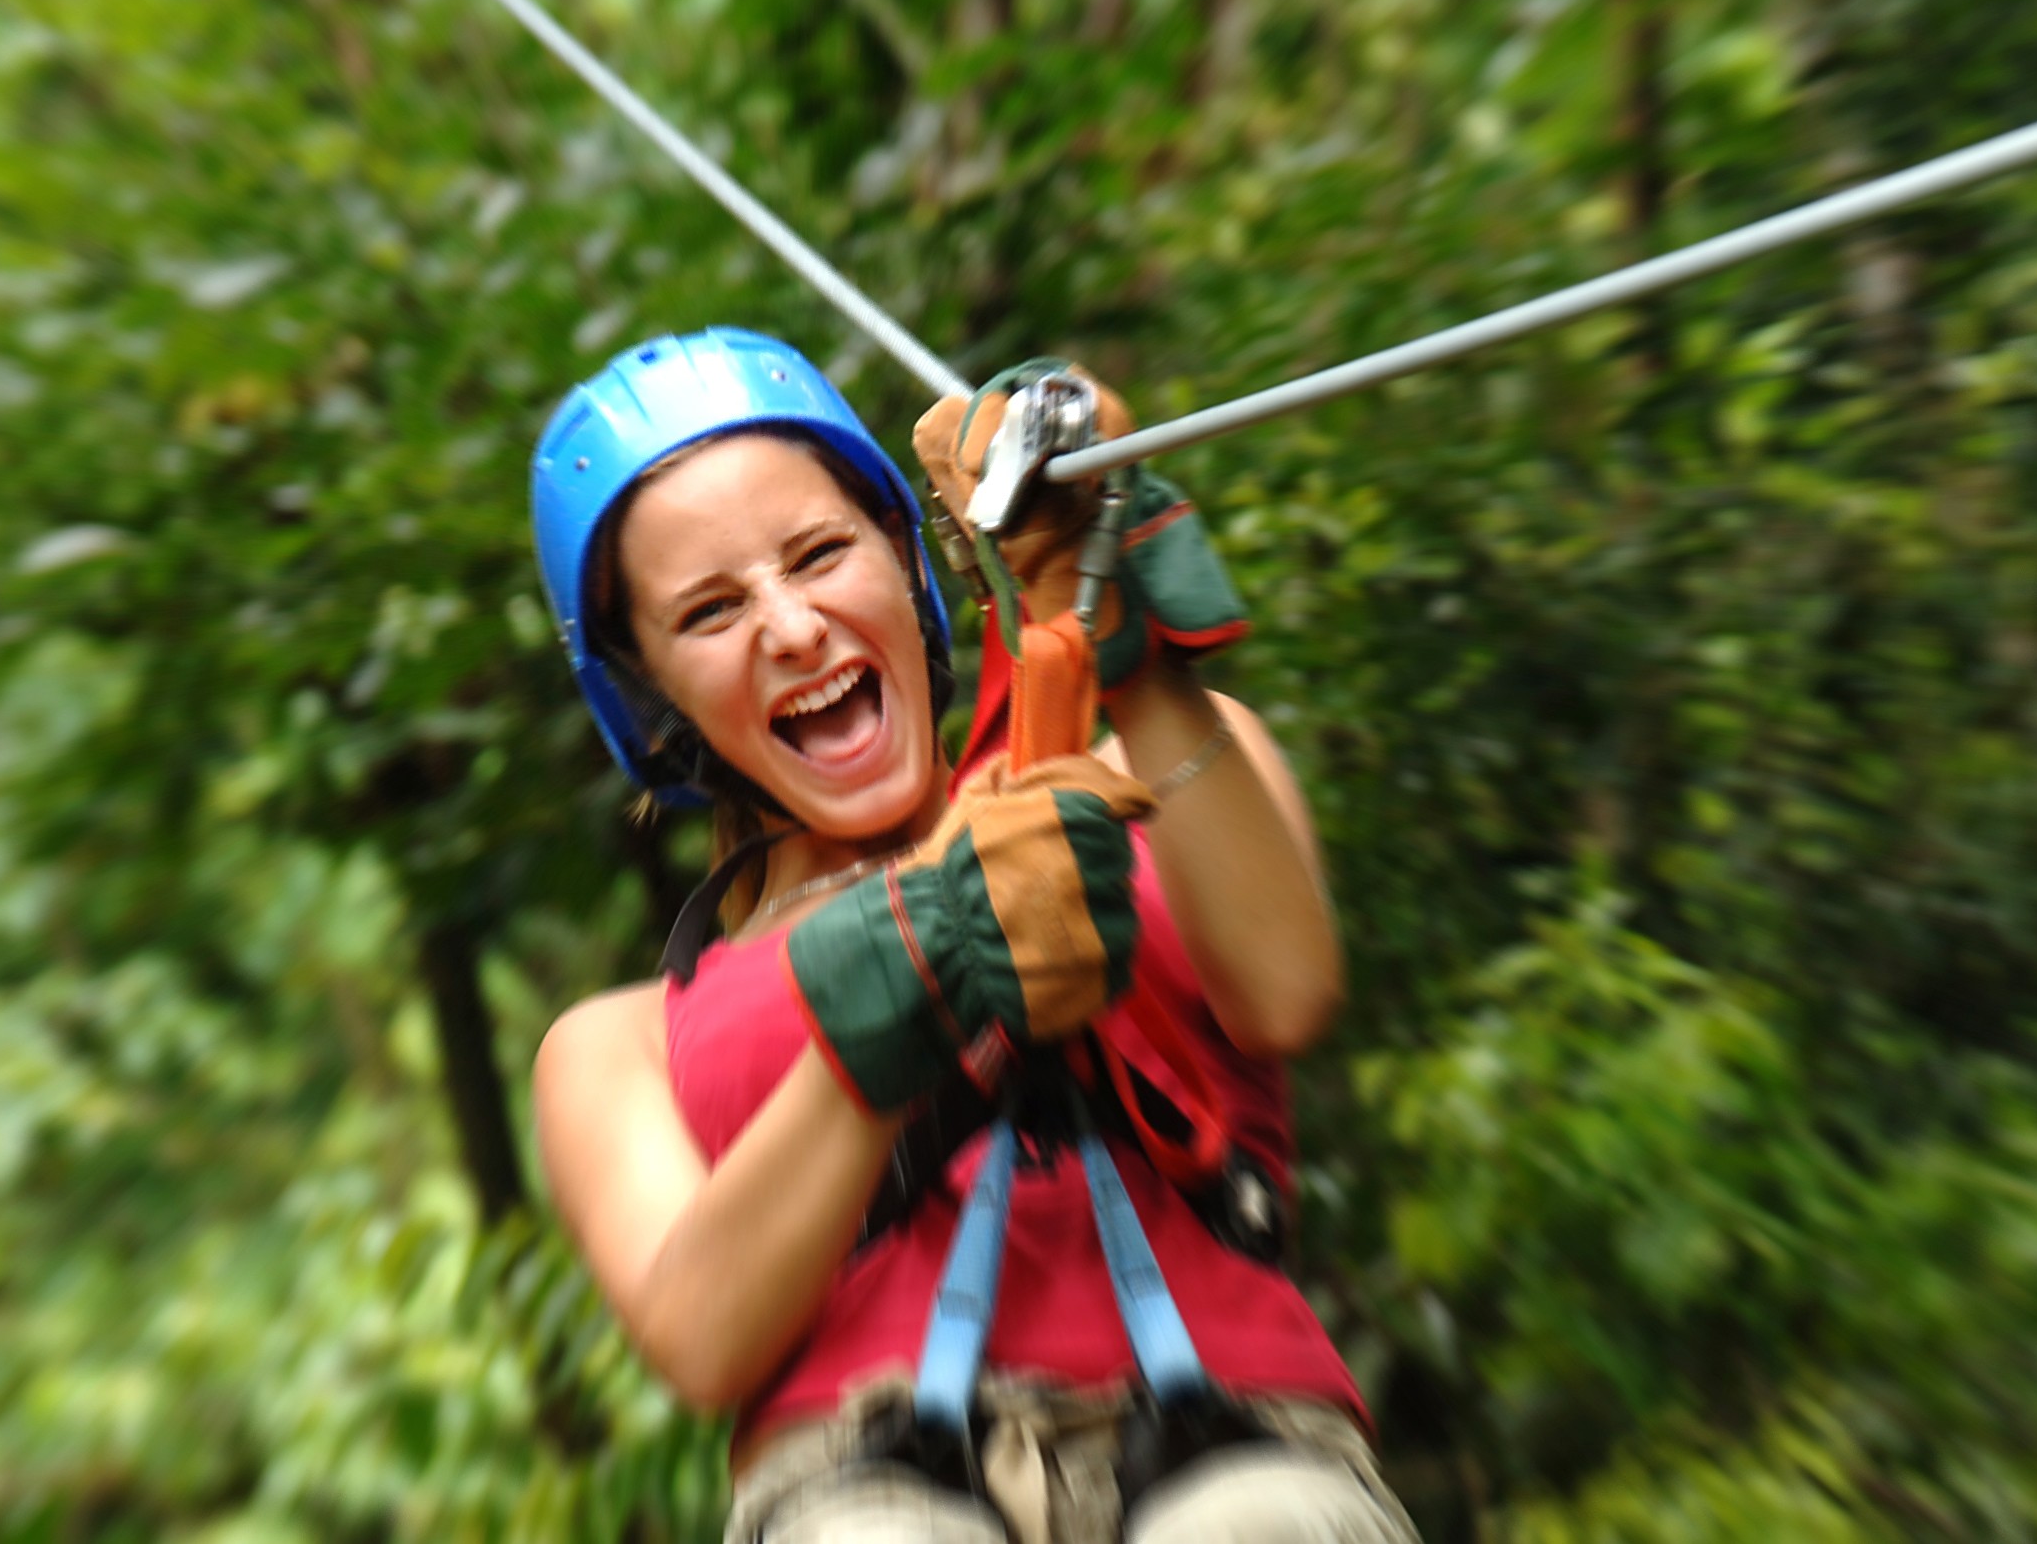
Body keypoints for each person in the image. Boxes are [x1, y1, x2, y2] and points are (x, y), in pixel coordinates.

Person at [531, 328, 1413, 1543]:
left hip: (1244, 1441)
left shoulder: (1136, 783)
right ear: (652, 694)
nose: (790, 628)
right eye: (711, 610)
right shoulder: (619, 1043)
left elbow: (1285, 991)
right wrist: (906, 981)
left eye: (820, 554)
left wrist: (1122, 638)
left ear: (906, 561)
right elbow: (701, 1333)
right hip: (859, 1483)